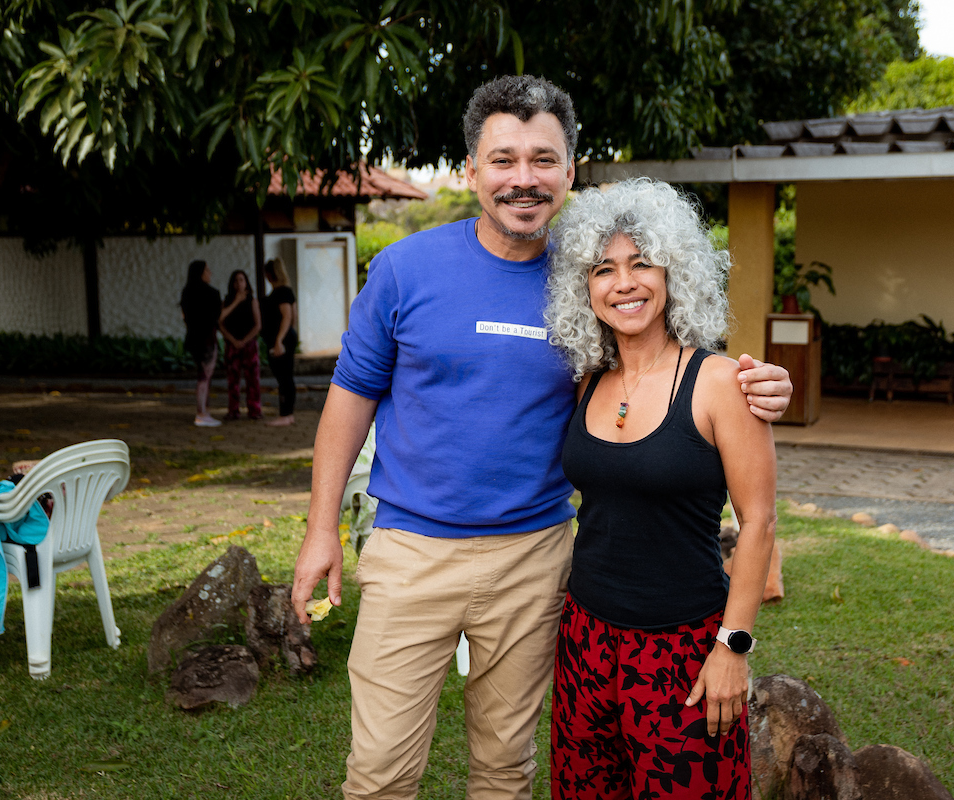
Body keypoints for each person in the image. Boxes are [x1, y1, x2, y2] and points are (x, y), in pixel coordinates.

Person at [290, 75, 793, 800]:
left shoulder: (586, 269)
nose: (523, 179)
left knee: (507, 768)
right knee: (378, 774)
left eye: (543, 159)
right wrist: (321, 530)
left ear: (569, 170)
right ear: (471, 169)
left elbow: (670, 362)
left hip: (537, 559)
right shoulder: (405, 268)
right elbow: (349, 399)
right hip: (411, 553)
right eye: (503, 159)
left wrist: (761, 384)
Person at [545, 178, 776, 800]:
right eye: (603, 268)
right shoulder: (588, 380)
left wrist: (734, 647)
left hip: (686, 651)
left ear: (674, 271)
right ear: (584, 287)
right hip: (587, 641)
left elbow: (758, 523)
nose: (624, 283)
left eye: (641, 262)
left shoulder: (722, 382)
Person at [179, 260, 222, 427]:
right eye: (207, 270)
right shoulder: (211, 293)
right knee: (205, 377)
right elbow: (216, 317)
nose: (210, 273)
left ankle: (203, 410)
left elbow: (186, 317)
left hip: (193, 339)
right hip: (207, 340)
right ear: (201, 273)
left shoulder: (187, 292)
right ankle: (202, 412)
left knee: (202, 375)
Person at [219, 269, 263, 421]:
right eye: (236, 280)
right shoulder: (227, 301)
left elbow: (258, 325)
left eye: (242, 280)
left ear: (246, 283)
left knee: (253, 380)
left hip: (249, 344)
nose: (239, 284)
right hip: (232, 345)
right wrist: (233, 340)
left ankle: (254, 409)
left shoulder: (252, 300)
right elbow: (220, 322)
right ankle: (233, 410)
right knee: (233, 380)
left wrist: (244, 341)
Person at [261, 258, 298, 427]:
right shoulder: (285, 291)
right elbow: (293, 317)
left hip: (281, 340)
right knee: (285, 377)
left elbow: (288, 317)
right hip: (284, 339)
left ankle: (286, 414)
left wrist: (279, 341)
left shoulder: (282, 293)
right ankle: (287, 413)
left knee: (284, 378)